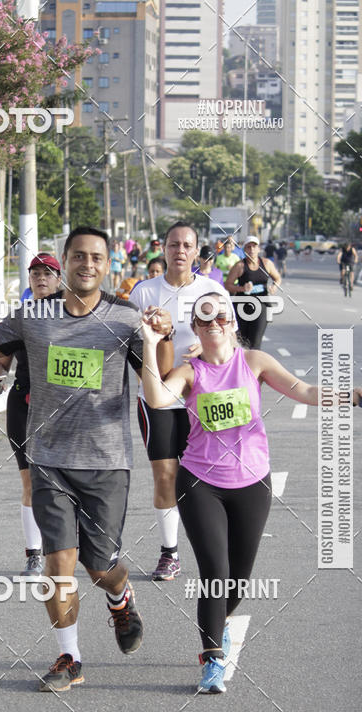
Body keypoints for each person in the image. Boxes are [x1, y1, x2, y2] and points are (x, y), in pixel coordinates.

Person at [0, 227, 174, 691]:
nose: (87, 264)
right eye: (78, 256)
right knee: (59, 565)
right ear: (66, 262)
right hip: (49, 458)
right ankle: (69, 657)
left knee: (100, 569)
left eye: (96, 257)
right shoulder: (33, 316)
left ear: (109, 264)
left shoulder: (125, 318)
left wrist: (163, 336)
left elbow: (163, 379)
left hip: (106, 462)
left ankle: (119, 595)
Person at [141, 291, 362, 693]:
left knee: (238, 581)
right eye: (204, 321)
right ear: (196, 329)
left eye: (221, 317)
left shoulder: (253, 362)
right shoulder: (191, 373)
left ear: (233, 323)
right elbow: (155, 397)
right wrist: (151, 344)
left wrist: (351, 396)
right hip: (200, 482)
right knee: (215, 574)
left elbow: (303, 391)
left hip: (252, 484)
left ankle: (217, 629)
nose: (214, 325)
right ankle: (212, 661)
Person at [130, 221, 229, 581]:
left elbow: (230, 340)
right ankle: (170, 552)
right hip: (159, 400)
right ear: (165, 249)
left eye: (187, 245)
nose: (180, 251)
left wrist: (205, 346)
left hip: (202, 398)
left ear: (197, 251)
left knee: (208, 476)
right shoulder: (144, 292)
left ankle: (213, 546)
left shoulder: (213, 291)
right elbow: (131, 345)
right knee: (165, 475)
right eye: (174, 244)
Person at [0, 253, 62, 576]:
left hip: (60, 406)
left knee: (61, 481)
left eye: (47, 273)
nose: (41, 278)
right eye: (35, 274)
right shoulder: (20, 317)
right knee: (29, 480)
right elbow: (2, 360)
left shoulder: (71, 316)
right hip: (22, 402)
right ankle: (34, 554)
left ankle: (64, 548)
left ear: (59, 279)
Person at [225, 235, 282, 349]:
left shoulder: (266, 263)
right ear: (244, 249)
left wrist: (274, 287)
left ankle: (253, 366)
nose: (251, 250)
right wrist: (242, 288)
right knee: (242, 342)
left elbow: (277, 278)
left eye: (254, 246)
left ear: (259, 249)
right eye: (248, 247)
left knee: (255, 342)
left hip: (261, 305)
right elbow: (228, 285)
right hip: (242, 306)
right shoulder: (240, 266)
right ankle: (242, 365)